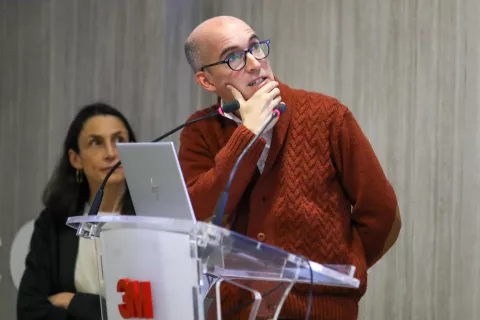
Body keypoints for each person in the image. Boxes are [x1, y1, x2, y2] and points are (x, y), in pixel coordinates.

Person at [178, 16, 402, 319]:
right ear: (206, 80)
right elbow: (197, 209)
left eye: (255, 48)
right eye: (233, 57)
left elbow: (382, 214)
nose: (255, 63)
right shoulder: (200, 130)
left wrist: (341, 270)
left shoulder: (327, 117)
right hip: (233, 310)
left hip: (317, 309)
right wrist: (249, 135)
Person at [17, 103, 137, 320]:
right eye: (96, 143)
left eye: (119, 140)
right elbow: (29, 310)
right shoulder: (54, 222)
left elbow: (153, 312)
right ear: (76, 159)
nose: (111, 153)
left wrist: (73, 302)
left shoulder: (152, 219)